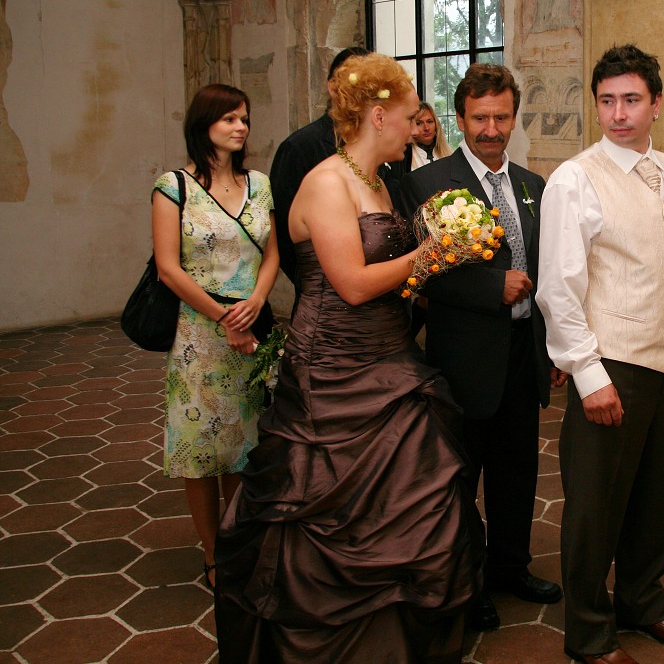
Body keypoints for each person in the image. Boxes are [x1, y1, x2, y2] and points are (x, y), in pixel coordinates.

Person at [215, 53, 477, 662]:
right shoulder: (327, 182)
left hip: (390, 355)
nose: (416, 129)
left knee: (417, 488)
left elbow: (393, 277)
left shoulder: (378, 182)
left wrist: (442, 259)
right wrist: (432, 252)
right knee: (324, 503)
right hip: (333, 367)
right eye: (409, 117)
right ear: (378, 117)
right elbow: (353, 284)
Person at [536, 45, 664, 664]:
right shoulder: (575, 179)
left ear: (656, 104)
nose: (618, 114)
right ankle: (590, 632)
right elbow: (557, 288)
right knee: (596, 507)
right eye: (607, 101)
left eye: (631, 100)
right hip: (611, 364)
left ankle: (643, 602)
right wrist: (587, 374)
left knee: (653, 497)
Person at [399, 63, 563, 632]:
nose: (491, 129)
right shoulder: (427, 184)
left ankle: (511, 568)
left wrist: (553, 348)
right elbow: (421, 274)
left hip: (523, 350)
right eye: (480, 118)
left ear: (515, 118)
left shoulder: (534, 186)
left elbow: (547, 269)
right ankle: (466, 582)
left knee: (518, 471)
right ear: (460, 118)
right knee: (460, 478)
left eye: (501, 117)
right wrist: (494, 288)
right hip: (463, 357)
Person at [151, 83, 279, 591]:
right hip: (201, 336)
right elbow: (168, 267)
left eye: (244, 118)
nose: (240, 127)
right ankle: (212, 552)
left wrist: (257, 302)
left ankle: (239, 541)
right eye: (229, 118)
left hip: (253, 328)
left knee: (245, 445)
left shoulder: (260, 184)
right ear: (203, 125)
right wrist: (225, 318)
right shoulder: (173, 187)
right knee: (202, 448)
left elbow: (271, 253)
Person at [270, 46, 369, 289]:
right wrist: (315, 287)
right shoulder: (300, 147)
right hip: (323, 291)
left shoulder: (382, 145)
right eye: (353, 82)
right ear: (332, 87)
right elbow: (283, 233)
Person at [408, 101, 453, 170]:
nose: (426, 128)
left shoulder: (449, 154)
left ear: (436, 124)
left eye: (429, 122)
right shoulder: (406, 158)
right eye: (419, 123)